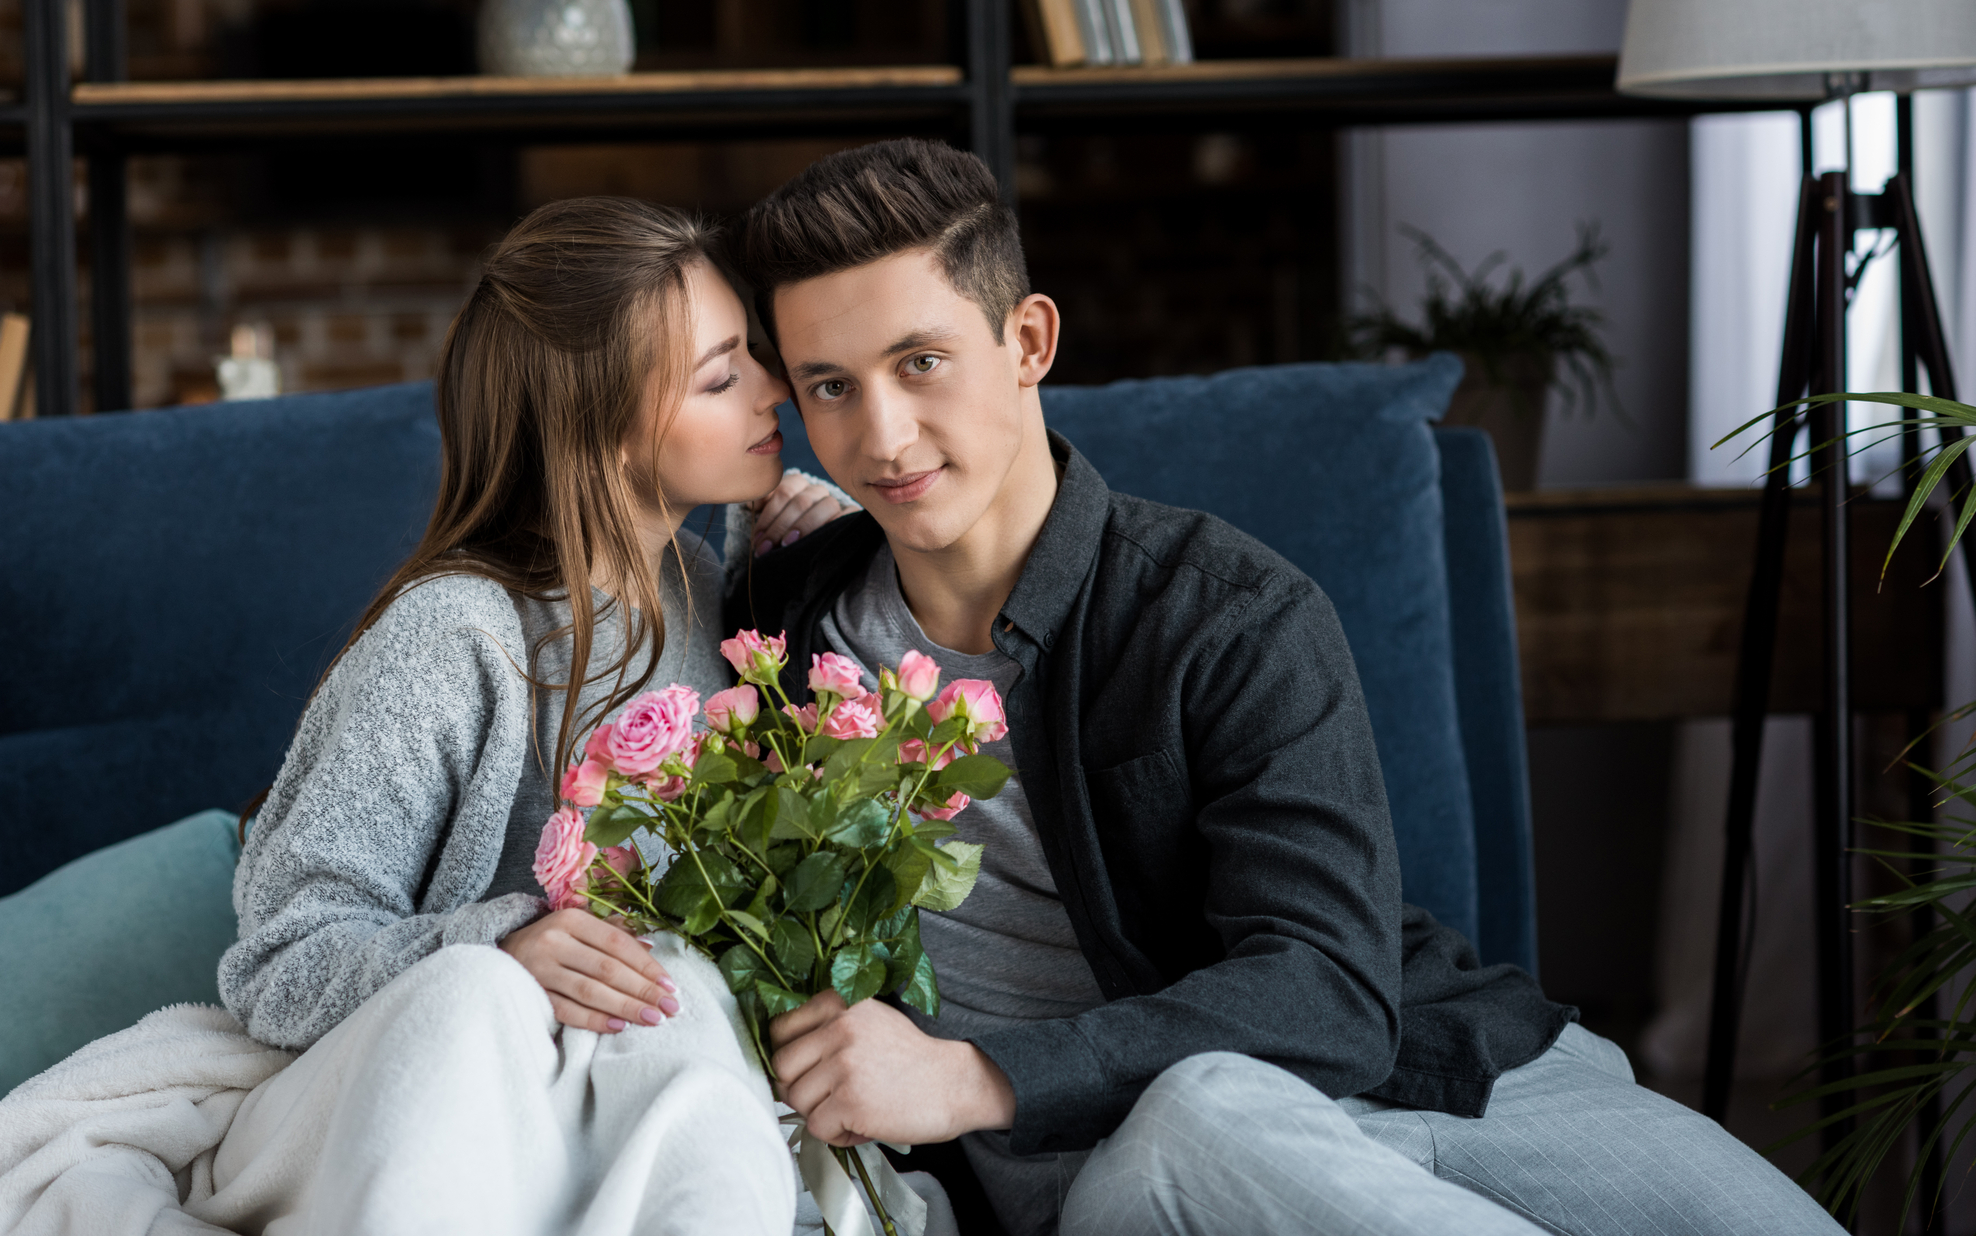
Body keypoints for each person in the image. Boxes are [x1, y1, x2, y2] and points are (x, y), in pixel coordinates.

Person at [725, 138, 1844, 1236]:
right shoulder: (779, 633)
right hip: (1143, 1159)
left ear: (1026, 341)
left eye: (920, 363)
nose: (879, 437)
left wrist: (971, 1074)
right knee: (1201, 1111)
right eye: (830, 386)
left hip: (1443, 1072)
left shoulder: (1224, 611)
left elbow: (1326, 989)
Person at [203, 197, 852, 1236]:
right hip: (462, 1091)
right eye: (723, 376)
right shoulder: (453, 639)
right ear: (601, 426)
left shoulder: (707, 582)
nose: (774, 390)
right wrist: (504, 949)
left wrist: (836, 562)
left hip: (633, 1086)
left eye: (755, 359)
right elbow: (279, 965)